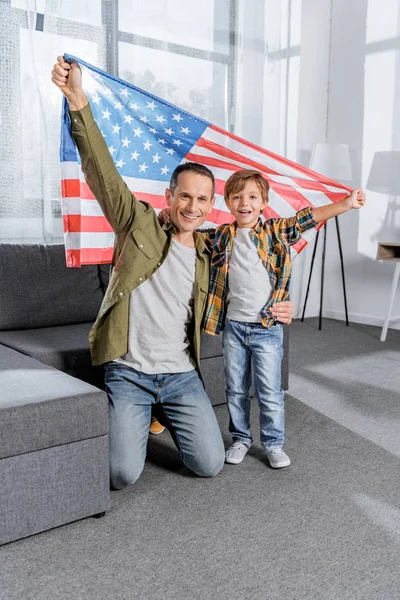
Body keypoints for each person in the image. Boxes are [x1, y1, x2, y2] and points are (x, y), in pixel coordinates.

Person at [51, 56, 295, 489]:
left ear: (209, 207)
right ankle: (137, 411)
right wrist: (77, 101)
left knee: (209, 464)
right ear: (169, 196)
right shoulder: (137, 222)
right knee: (121, 474)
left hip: (181, 374)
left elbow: (259, 265)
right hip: (129, 371)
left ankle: (161, 413)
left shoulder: (211, 249)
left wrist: (280, 303)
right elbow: (101, 172)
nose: (193, 207)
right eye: (185, 196)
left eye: (203, 200)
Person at [203, 169, 366, 468]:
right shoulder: (220, 236)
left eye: (252, 196)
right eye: (237, 196)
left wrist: (346, 204)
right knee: (235, 387)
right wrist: (163, 220)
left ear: (263, 202)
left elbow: (308, 218)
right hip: (235, 327)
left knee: (268, 390)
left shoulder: (276, 232)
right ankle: (240, 438)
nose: (244, 203)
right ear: (226, 201)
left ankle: (273, 443)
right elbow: (186, 236)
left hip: (267, 328)